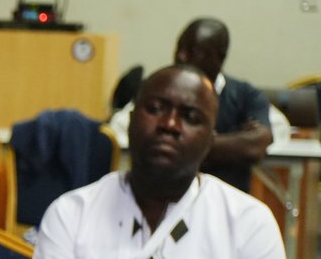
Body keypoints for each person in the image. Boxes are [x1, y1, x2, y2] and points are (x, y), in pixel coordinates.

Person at [32, 64, 287, 259]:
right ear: (128, 121)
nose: (169, 124)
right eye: (155, 109)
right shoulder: (70, 216)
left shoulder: (250, 226)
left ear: (211, 140)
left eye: (190, 117)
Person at [109, 18, 289, 192]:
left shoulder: (245, 95)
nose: (181, 56)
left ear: (220, 57)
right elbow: (123, 131)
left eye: (193, 51)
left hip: (225, 207)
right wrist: (233, 143)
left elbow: (255, 146)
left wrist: (172, 147)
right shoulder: (158, 86)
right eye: (179, 47)